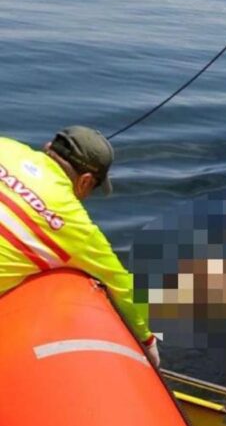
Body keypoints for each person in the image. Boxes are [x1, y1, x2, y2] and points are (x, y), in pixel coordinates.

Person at [0, 126, 159, 366]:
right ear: (85, 182)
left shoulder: (6, 146)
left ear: (48, 147)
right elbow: (122, 288)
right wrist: (148, 344)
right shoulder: (77, 227)